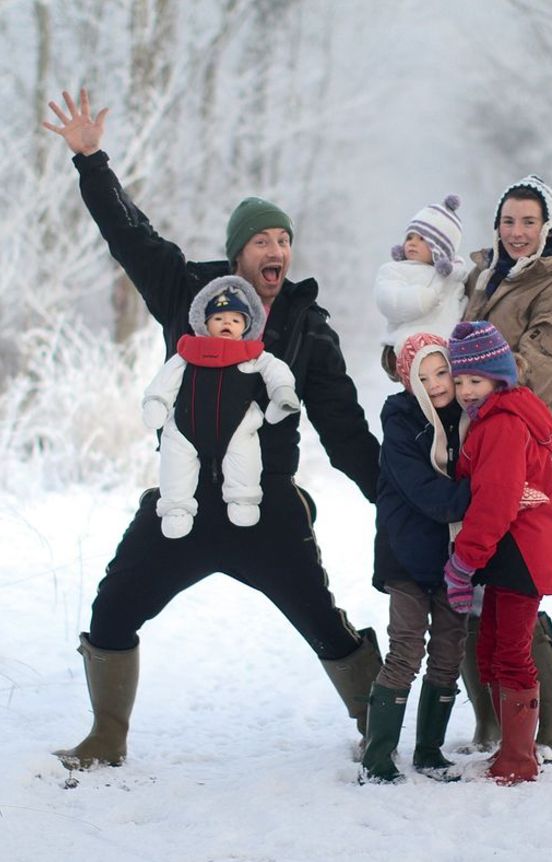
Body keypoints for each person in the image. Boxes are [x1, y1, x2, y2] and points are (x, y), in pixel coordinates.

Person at [43, 88, 382, 770]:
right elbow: (129, 235)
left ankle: (377, 724)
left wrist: (394, 495)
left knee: (326, 627)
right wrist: (91, 161)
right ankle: (105, 738)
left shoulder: (307, 329)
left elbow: (342, 427)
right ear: (237, 254)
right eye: (263, 239)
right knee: (112, 612)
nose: (276, 249)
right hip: (183, 507)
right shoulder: (185, 294)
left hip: (268, 511)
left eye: (284, 239)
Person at [458, 175, 552, 762]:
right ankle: (494, 724)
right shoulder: (485, 275)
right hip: (481, 436)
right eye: (508, 221)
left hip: (526, 444)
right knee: (473, 583)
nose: (517, 232)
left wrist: (460, 374)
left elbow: (543, 368)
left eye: (528, 222)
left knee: (516, 583)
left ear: (548, 229)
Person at [443, 321, 552, 784]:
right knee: (493, 646)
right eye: (458, 382)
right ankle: (507, 746)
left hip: (520, 548)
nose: (465, 391)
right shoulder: (497, 418)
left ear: (499, 378)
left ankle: (519, 758)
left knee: (512, 650)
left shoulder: (502, 425)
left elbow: (495, 500)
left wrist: (464, 561)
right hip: (513, 548)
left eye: (474, 381)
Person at [360, 333, 471, 784]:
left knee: (449, 652)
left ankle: (429, 751)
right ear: (409, 382)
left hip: (452, 558)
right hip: (406, 555)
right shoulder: (402, 421)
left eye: (442, 372)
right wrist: (482, 496)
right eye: (422, 377)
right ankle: (378, 756)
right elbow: (429, 494)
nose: (436, 384)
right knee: (406, 650)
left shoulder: (470, 416)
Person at [142, 274, 299, 536]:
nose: (227, 323)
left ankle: (243, 500)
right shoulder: (188, 353)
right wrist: (157, 401)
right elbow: (164, 380)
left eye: (235, 320)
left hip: (236, 427)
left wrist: (282, 392)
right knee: (175, 461)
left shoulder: (252, 356)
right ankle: (176, 509)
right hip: (185, 427)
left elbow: (276, 370)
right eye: (218, 318)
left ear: (247, 326)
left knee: (245, 458)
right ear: (204, 323)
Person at [373, 195, 468, 381]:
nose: (412, 242)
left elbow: (462, 310)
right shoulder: (395, 270)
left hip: (446, 354)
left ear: (440, 248)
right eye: (409, 237)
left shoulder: (453, 278)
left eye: (422, 238)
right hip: (406, 346)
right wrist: (426, 297)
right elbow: (389, 300)